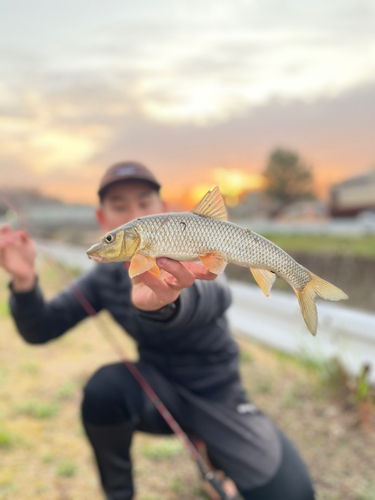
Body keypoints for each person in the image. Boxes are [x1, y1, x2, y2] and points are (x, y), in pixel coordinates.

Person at [1, 161, 315, 500]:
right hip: (157, 390)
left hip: (218, 396)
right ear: (102, 219)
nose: (133, 210)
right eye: (119, 206)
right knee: (102, 391)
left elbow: (215, 293)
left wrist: (167, 300)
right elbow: (42, 328)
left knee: (294, 494)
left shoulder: (196, 258)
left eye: (143, 202)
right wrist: (24, 280)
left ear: (164, 212)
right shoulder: (102, 278)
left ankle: (216, 454)